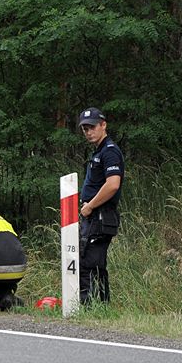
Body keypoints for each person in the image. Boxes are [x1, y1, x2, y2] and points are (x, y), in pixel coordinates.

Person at [78, 107, 124, 303]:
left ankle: (89, 307)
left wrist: (90, 206)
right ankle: (102, 306)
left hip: (99, 215)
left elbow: (113, 184)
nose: (88, 132)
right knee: (95, 264)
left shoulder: (110, 152)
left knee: (89, 263)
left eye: (92, 127)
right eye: (85, 128)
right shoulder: (99, 151)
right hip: (96, 216)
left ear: (103, 125)